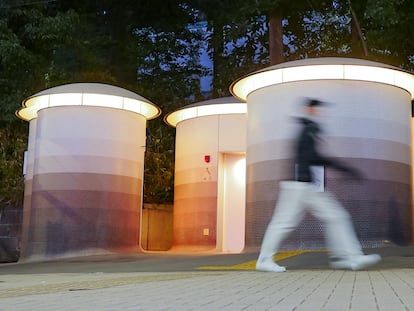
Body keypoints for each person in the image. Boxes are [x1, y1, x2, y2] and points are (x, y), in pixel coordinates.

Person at [256, 98, 381, 272]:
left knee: (336, 216)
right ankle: (264, 260)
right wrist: (343, 168)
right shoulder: (308, 129)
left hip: (306, 185)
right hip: (298, 185)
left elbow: (312, 157)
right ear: (308, 109)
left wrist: (341, 168)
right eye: (316, 108)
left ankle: (345, 258)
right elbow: (312, 156)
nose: (320, 112)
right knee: (284, 222)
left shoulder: (310, 128)